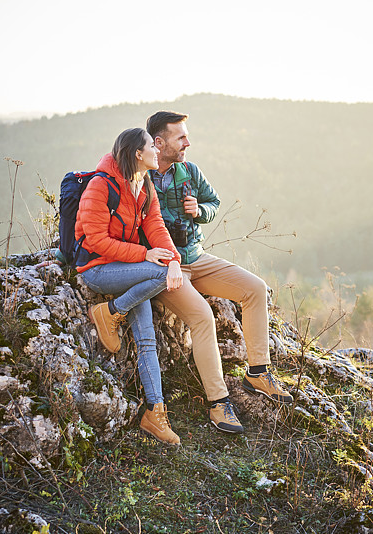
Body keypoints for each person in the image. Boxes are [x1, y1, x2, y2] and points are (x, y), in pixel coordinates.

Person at [146, 111, 293, 434]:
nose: (188, 142)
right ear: (159, 142)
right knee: (202, 317)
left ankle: (258, 373)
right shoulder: (139, 175)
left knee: (256, 289)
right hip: (166, 269)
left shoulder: (191, 172)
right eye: (180, 137)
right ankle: (218, 403)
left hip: (196, 258)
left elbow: (214, 203)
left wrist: (199, 211)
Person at [76, 127, 184, 445]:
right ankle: (109, 311)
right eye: (152, 146)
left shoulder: (143, 183)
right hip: (98, 270)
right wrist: (146, 255)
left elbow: (155, 224)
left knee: (146, 338)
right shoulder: (101, 185)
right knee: (158, 273)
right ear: (138, 154)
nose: (157, 150)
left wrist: (173, 258)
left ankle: (155, 414)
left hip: (129, 269)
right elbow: (95, 241)